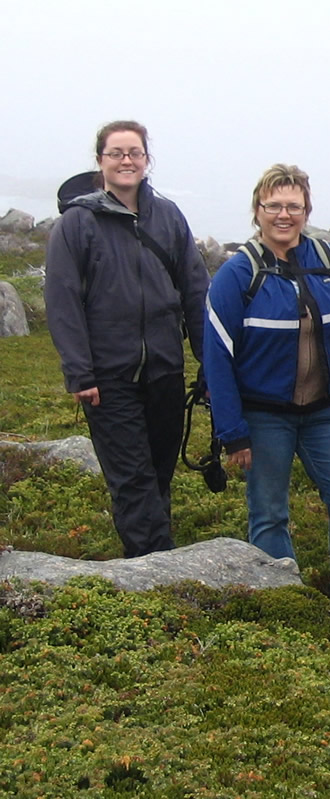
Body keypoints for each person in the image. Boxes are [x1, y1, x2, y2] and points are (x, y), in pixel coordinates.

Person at [202, 164, 330, 623]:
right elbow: (217, 358)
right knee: (269, 512)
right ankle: (282, 602)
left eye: (294, 206)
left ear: (307, 211)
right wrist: (233, 432)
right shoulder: (238, 273)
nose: (284, 215)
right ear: (257, 210)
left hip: (323, 411)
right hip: (262, 416)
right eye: (274, 206)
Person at [45, 120, 208, 558]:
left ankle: (153, 559)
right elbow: (62, 302)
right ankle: (154, 566)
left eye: (134, 153)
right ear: (100, 161)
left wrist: (209, 363)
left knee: (158, 472)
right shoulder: (77, 223)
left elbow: (196, 292)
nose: (126, 161)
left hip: (165, 371)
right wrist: (80, 373)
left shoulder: (168, 217)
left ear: (146, 160)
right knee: (132, 478)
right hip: (108, 378)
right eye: (116, 153)